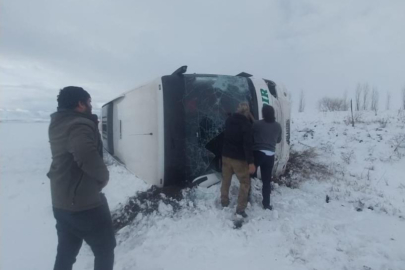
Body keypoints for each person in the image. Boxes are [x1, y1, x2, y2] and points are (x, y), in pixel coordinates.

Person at [47, 86, 116, 270]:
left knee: (66, 253)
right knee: (105, 249)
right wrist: (103, 177)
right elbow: (85, 153)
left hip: (62, 203)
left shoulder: (59, 123)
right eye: (89, 102)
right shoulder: (78, 124)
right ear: (80, 103)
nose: (91, 106)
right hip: (85, 205)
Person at [220, 102, 256, 218]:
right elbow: (247, 145)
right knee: (245, 183)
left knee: (226, 180)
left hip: (226, 156)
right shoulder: (246, 125)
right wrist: (251, 162)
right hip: (239, 159)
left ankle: (224, 201)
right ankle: (240, 209)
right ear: (247, 113)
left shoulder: (229, 120)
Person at [252, 104, 282, 210]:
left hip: (258, 153)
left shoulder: (258, 124)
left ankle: (246, 199)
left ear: (263, 113)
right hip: (270, 155)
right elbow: (278, 140)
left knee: (248, 175)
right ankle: (266, 204)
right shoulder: (278, 126)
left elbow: (251, 132)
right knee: (266, 180)